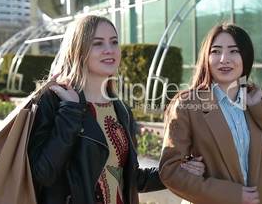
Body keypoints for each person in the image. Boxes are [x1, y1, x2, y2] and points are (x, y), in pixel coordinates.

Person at [27, 15, 204, 204]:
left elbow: (130, 177)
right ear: (78, 49)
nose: (109, 50)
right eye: (97, 43)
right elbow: (42, 174)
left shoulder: (121, 109)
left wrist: (178, 170)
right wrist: (70, 111)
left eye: (114, 42)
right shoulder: (53, 100)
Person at [159, 23, 262, 204]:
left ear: (245, 57)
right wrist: (232, 195)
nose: (224, 59)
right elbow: (170, 171)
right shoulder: (187, 104)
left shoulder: (258, 103)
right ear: (206, 58)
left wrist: (260, 108)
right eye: (216, 51)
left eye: (234, 51)